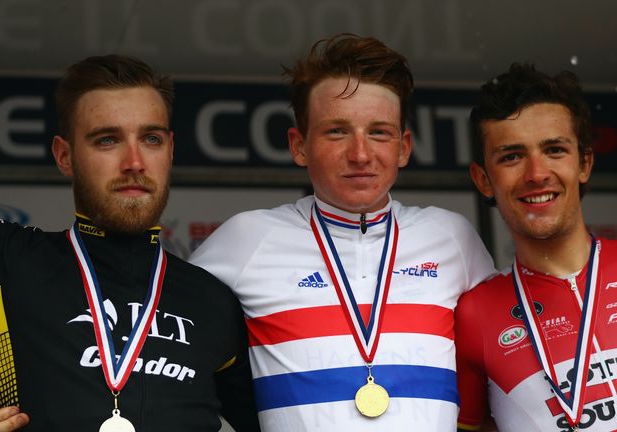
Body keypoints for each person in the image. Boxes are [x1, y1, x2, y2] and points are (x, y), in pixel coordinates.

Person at [187, 33, 495, 431]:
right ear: (299, 146)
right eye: (337, 131)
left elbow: (502, 367)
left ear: (404, 147)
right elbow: (170, 347)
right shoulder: (247, 237)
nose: (361, 154)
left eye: (379, 132)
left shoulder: (453, 236)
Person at [0, 55, 259, 431]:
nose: (134, 161)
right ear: (65, 156)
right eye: (108, 139)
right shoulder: (3, 259)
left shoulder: (216, 301)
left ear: (171, 149)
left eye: (151, 138)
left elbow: (286, 422)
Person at [455, 63, 617, 431]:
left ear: (584, 163)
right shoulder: (474, 316)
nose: (536, 173)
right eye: (512, 156)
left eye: (554, 149)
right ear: (484, 180)